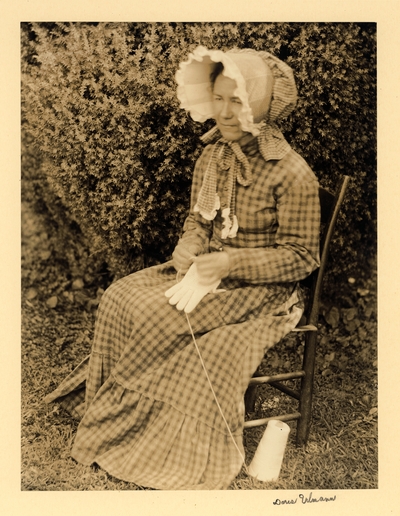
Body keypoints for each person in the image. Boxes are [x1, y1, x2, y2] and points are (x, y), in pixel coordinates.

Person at [45, 45, 321, 490]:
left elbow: (302, 258)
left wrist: (229, 262)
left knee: (160, 316)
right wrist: (189, 250)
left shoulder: (292, 174)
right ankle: (105, 412)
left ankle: (147, 440)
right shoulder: (214, 156)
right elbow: (199, 218)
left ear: (262, 104)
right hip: (207, 272)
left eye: (238, 100)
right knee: (119, 296)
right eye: (219, 98)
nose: (226, 112)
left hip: (265, 289)